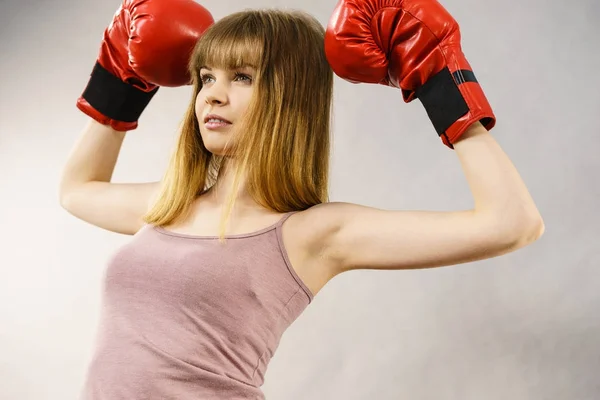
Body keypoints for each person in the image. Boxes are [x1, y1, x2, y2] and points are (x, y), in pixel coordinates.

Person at [59, 0, 545, 398]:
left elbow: (512, 223)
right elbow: (77, 190)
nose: (212, 95)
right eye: (206, 77)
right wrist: (119, 80)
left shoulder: (312, 233)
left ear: (289, 96)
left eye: (242, 77)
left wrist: (439, 77)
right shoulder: (171, 205)